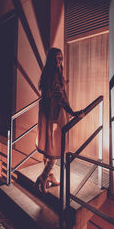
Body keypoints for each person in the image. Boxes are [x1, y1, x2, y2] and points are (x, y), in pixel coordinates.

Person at [35, 47, 84, 194]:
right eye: (57, 58)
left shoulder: (48, 74)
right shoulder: (54, 74)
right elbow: (58, 96)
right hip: (55, 114)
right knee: (56, 148)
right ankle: (43, 177)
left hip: (47, 113)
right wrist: (73, 112)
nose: (59, 61)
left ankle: (50, 176)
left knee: (50, 145)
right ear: (51, 59)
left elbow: (52, 91)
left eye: (61, 58)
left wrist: (63, 84)